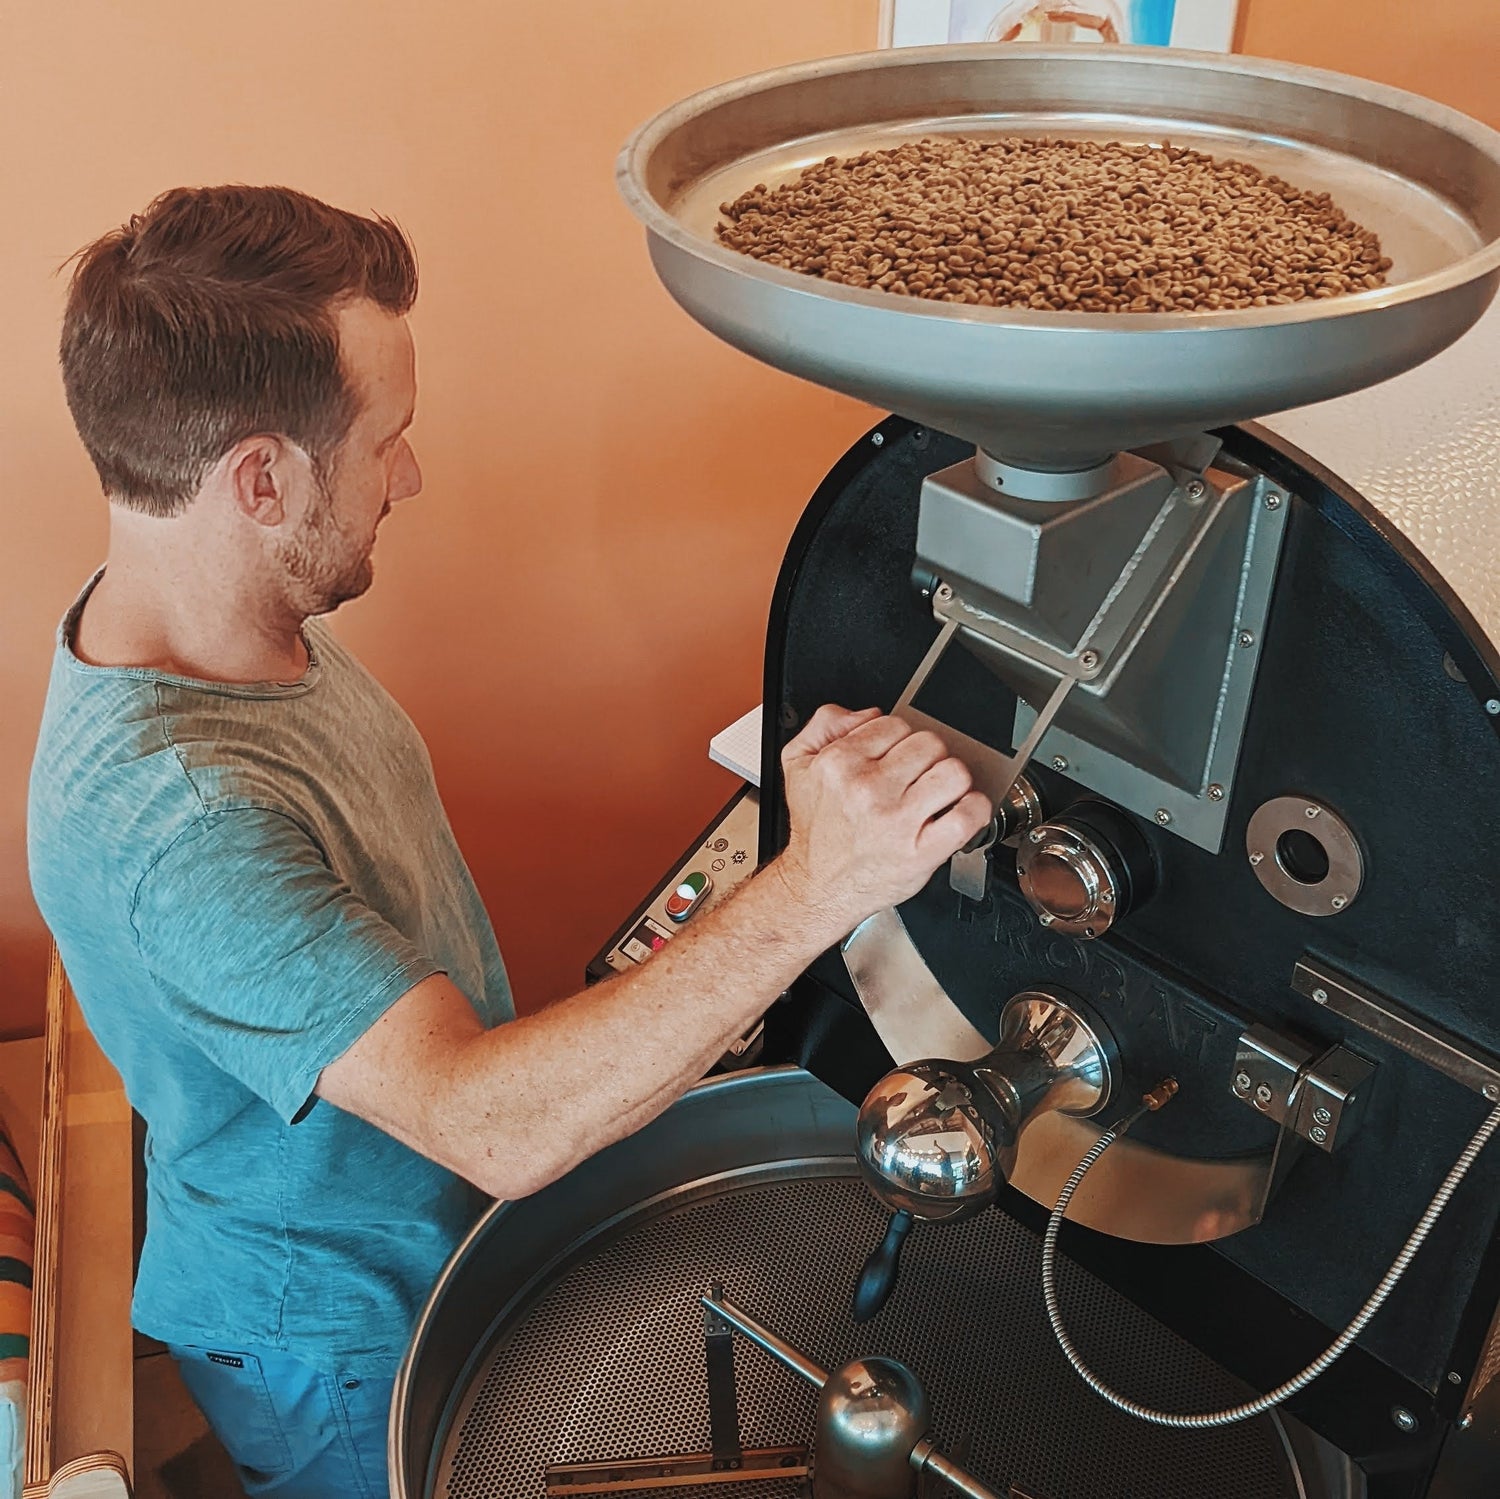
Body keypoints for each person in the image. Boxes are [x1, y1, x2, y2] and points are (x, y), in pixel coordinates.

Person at [26, 186, 991, 1499]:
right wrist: (818, 884)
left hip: (412, 1236)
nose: (409, 476)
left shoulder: (221, 622)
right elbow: (491, 1129)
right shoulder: (177, 816)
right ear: (260, 478)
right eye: (387, 441)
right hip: (333, 1342)